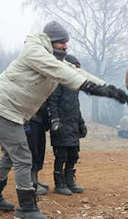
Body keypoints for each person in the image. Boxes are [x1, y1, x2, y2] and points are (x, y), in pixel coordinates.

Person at [0, 21, 128, 219]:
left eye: (66, 42)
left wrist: (110, 90)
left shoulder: (53, 57)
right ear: (50, 41)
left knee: (10, 155)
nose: (66, 46)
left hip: (10, 111)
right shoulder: (34, 52)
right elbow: (60, 71)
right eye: (62, 42)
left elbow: (76, 71)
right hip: (1, 109)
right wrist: (90, 87)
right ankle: (27, 207)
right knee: (23, 157)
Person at [46, 54, 87, 196]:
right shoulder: (58, 83)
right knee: (61, 156)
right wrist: (55, 120)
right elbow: (52, 102)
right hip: (61, 127)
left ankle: (70, 182)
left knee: (73, 156)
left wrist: (81, 123)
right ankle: (59, 184)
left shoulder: (75, 87)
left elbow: (76, 107)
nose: (76, 70)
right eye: (74, 67)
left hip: (73, 127)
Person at [24, 102, 49, 195]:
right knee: (32, 151)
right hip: (30, 120)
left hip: (39, 120)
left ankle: (35, 180)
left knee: (39, 151)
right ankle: (30, 183)